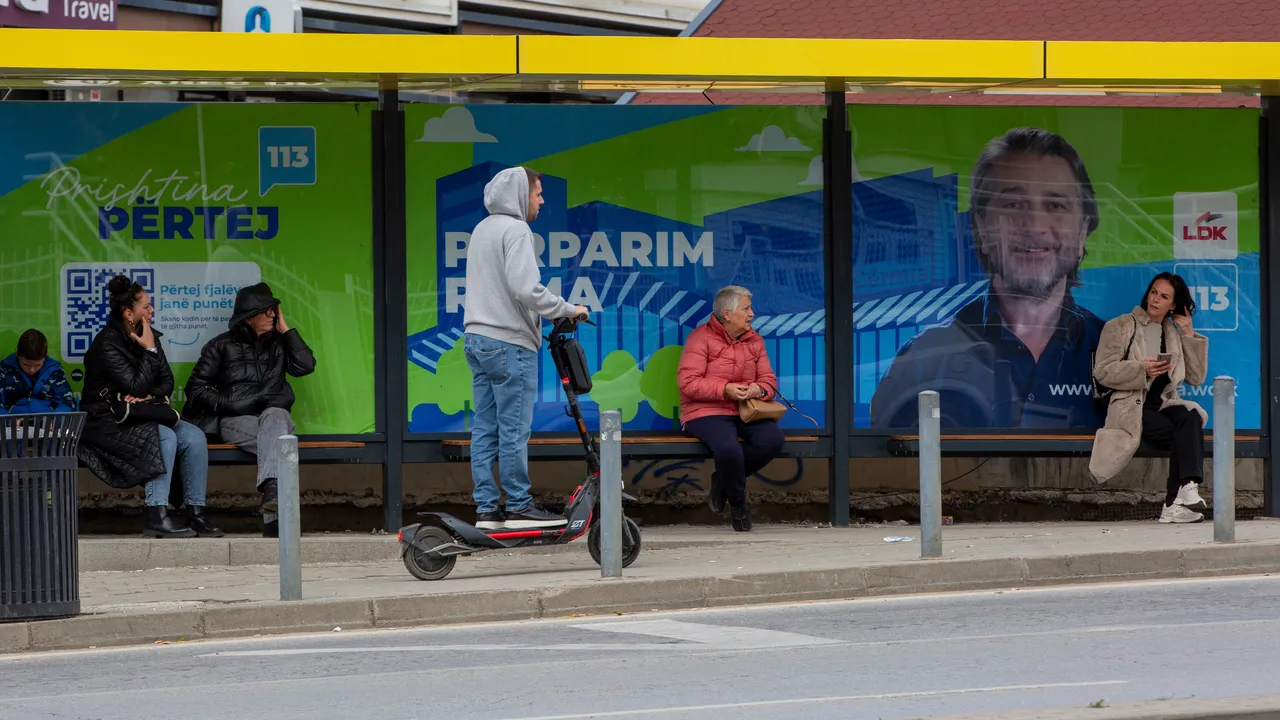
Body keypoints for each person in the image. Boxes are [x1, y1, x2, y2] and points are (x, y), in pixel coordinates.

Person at [870, 127, 1105, 430]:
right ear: (981, 226)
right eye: (1013, 204)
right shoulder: (921, 361)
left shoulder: (1113, 350)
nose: (1034, 226)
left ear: (1083, 230)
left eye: (1055, 205)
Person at [462, 166, 590, 530]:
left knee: (485, 428)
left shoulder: (482, 229)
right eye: (537, 193)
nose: (541, 200)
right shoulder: (517, 230)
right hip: (508, 342)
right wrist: (569, 310)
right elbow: (526, 289)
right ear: (520, 195)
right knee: (515, 428)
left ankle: (486, 507)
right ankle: (518, 504)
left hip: (477, 339)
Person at [77, 275, 221, 539]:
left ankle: (196, 514)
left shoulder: (149, 335)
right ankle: (157, 515)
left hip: (141, 413)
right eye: (146, 306)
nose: (152, 310)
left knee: (194, 436)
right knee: (164, 436)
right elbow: (136, 384)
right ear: (129, 313)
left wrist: (146, 395)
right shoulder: (106, 344)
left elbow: (166, 382)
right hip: (104, 421)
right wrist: (149, 352)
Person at [183, 282, 316, 538]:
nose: (272, 315)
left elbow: (306, 366)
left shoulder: (278, 343)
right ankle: (275, 520)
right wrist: (228, 403)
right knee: (279, 442)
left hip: (272, 418)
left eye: (274, 310)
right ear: (248, 316)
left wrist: (286, 331)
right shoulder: (220, 346)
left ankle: (272, 492)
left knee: (277, 416)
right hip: (235, 420)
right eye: (266, 310)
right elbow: (196, 390)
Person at [1090, 273, 1210, 524]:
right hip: (1131, 408)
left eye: (1164, 296)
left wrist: (1188, 334)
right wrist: (1140, 369)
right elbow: (1102, 371)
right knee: (1183, 433)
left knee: (1190, 416)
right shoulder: (1121, 325)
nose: (1155, 299)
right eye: (1154, 292)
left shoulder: (1173, 333)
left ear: (1173, 306)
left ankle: (1187, 487)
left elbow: (1196, 378)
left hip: (1161, 405)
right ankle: (1174, 502)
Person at [677, 285, 785, 532]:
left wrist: (758, 389)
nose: (752, 314)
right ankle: (738, 507)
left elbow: (769, 380)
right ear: (727, 314)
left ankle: (723, 482)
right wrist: (724, 389)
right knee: (728, 450)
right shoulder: (700, 338)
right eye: (746, 308)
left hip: (746, 410)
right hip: (704, 412)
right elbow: (687, 383)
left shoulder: (755, 340)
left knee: (773, 440)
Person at [0, 329, 77, 414]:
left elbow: (68, 403)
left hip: (49, 424)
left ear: (46, 354)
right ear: (17, 353)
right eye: (26, 364)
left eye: (37, 365)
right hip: (13, 424)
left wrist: (55, 421)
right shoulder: (4, 371)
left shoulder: (56, 372)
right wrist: (9, 421)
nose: (32, 369)